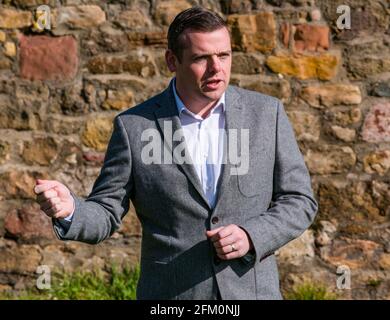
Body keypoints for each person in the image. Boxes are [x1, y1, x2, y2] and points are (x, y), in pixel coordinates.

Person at [34, 6, 318, 300]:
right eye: (201, 58)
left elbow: (299, 200)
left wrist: (252, 235)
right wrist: (71, 211)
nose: (216, 68)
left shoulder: (266, 115)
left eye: (224, 55)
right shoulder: (134, 128)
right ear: (172, 60)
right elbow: (106, 212)